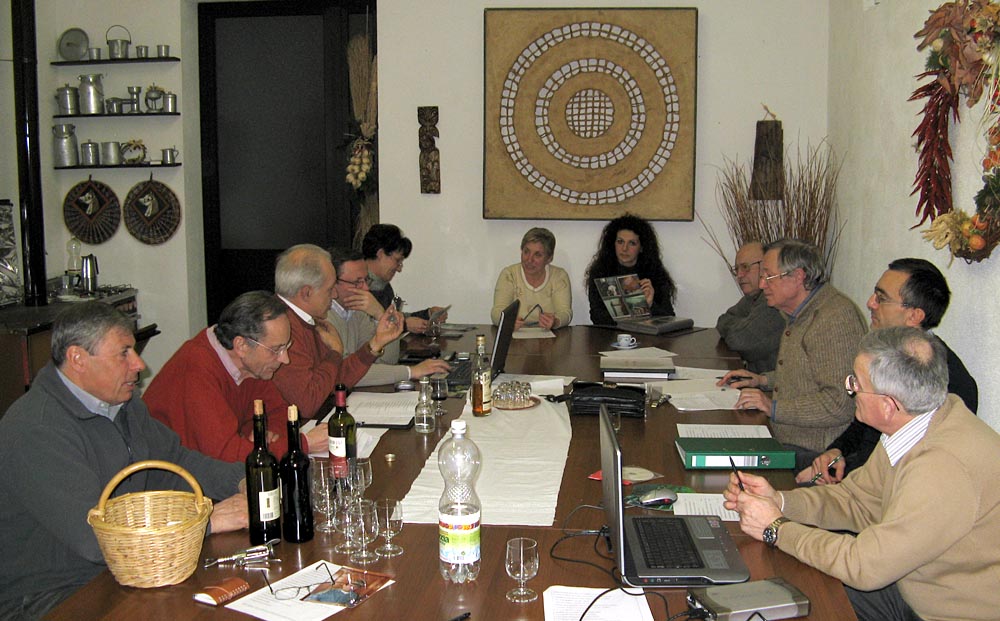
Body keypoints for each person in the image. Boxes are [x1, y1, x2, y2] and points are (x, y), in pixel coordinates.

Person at [724, 327, 1000, 621]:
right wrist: (780, 502)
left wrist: (776, 528)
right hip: (908, 583)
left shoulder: (943, 469)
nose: (851, 389)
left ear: (888, 406)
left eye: (855, 382)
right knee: (783, 586)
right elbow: (856, 500)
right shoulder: (915, 422)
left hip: (935, 612)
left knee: (792, 595)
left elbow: (865, 566)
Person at [0, 302, 248, 620]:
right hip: (50, 593)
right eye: (124, 353)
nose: (139, 364)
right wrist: (208, 522)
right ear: (77, 359)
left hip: (124, 567)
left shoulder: (121, 405)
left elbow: (174, 463)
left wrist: (246, 480)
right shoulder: (37, 429)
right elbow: (95, 539)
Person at [796, 257, 978, 484]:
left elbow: (906, 467)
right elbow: (862, 427)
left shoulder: (947, 382)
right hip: (855, 475)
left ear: (914, 316)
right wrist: (835, 452)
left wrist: (836, 479)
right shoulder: (885, 355)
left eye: (881, 298)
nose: (870, 303)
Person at [718, 239, 866, 466]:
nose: (762, 284)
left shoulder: (834, 319)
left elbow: (840, 403)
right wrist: (762, 380)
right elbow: (807, 373)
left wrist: (773, 408)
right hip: (788, 436)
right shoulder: (799, 312)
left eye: (769, 276)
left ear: (797, 277)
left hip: (815, 451)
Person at [146, 291, 328, 461]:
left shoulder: (250, 366)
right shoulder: (197, 370)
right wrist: (300, 445)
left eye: (286, 347)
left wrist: (262, 434)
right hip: (169, 475)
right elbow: (226, 456)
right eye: (276, 350)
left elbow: (278, 411)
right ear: (241, 346)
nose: (285, 359)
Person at [271, 244, 403, 418]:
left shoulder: (307, 319)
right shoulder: (282, 327)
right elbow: (307, 404)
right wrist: (335, 353)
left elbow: (335, 379)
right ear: (306, 293)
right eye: (329, 289)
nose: (334, 295)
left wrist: (375, 344)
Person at [327, 247, 450, 386]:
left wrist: (380, 315)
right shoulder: (323, 319)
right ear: (333, 283)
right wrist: (411, 372)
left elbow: (387, 359)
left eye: (366, 280)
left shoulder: (356, 312)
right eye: (357, 282)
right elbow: (347, 374)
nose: (366, 288)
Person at [584, 214, 676, 325]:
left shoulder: (655, 274)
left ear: (641, 247)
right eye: (620, 242)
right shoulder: (600, 272)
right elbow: (596, 316)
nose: (624, 248)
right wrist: (638, 309)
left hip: (645, 334)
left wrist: (650, 305)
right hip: (611, 334)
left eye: (632, 243)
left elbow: (669, 317)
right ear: (612, 244)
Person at [361, 223, 448, 334]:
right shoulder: (357, 286)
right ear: (380, 254)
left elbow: (393, 317)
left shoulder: (384, 286)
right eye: (397, 260)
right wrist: (404, 325)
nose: (399, 269)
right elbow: (363, 330)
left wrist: (428, 314)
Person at [715, 241, 784, 373]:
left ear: (765, 265)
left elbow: (740, 342)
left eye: (745, 267)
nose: (739, 275)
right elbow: (723, 319)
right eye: (736, 269)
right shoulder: (753, 297)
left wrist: (741, 327)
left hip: (772, 384)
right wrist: (743, 325)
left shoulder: (774, 301)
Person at [491, 227, 572, 330]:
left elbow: (565, 312)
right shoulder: (509, 275)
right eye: (526, 252)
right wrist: (507, 321)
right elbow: (496, 312)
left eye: (537, 255)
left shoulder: (559, 276)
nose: (529, 260)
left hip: (548, 337)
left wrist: (555, 321)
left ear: (549, 258)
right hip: (515, 337)